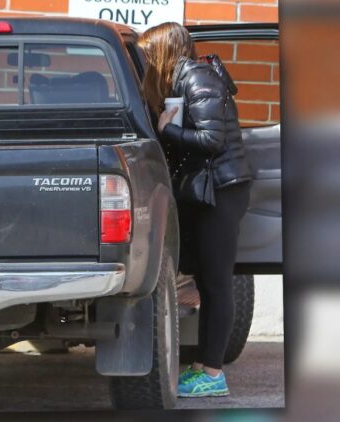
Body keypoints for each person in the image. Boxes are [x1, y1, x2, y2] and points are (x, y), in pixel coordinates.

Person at [138, 22, 253, 398]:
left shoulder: (198, 76)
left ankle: (214, 373)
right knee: (206, 281)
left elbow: (210, 139)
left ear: (164, 52)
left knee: (218, 283)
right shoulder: (182, 80)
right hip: (210, 191)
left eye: (148, 54)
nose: (146, 62)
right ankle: (203, 366)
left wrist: (166, 129)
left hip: (222, 191)